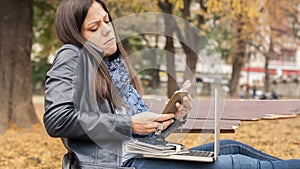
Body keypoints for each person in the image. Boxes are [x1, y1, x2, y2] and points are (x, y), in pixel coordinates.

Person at [44, 0, 300, 169]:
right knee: (238, 164)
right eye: (94, 27)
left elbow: (141, 137)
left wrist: (172, 117)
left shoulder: (114, 68)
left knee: (234, 148)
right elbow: (57, 119)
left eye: (107, 21)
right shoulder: (72, 55)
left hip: (142, 156)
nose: (107, 30)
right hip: (120, 164)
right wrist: (129, 123)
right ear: (77, 34)